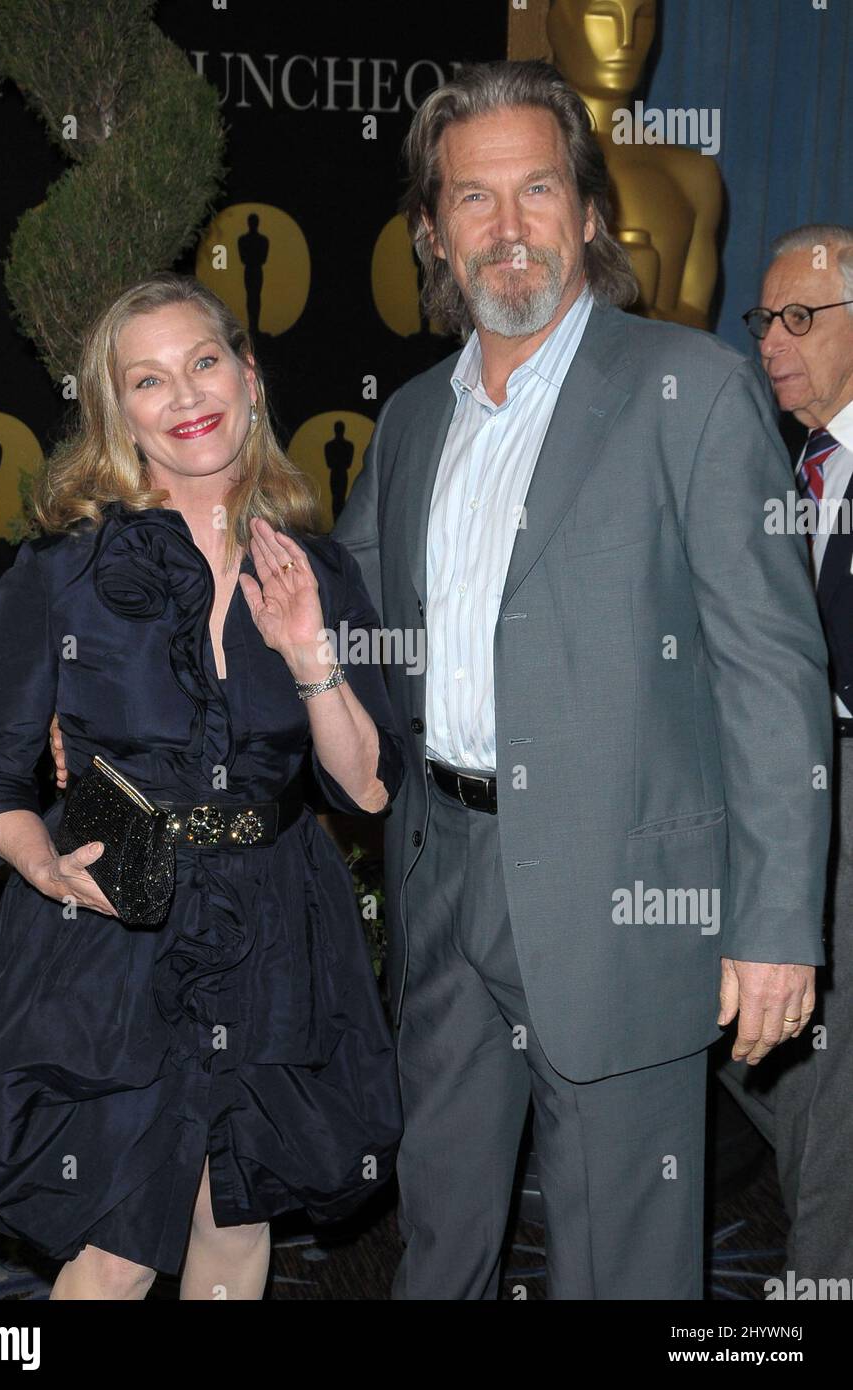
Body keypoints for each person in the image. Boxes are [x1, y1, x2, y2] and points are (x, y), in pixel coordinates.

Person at [329, 60, 832, 1299]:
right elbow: (336, 631)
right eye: (473, 199)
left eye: (537, 190)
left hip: (623, 903)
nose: (507, 228)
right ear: (434, 234)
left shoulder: (692, 392)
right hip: (444, 882)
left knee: (619, 1261)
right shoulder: (407, 428)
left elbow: (773, 672)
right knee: (435, 1242)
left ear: (590, 214)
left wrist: (774, 923)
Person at [0, 271, 406, 1301]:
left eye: (203, 362)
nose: (185, 396)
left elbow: (366, 788)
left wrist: (308, 657)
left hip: (274, 920)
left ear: (247, 377)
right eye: (147, 381)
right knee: (115, 1244)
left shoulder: (318, 568)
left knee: (232, 1213)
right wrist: (52, 868)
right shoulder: (64, 569)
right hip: (116, 930)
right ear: (118, 413)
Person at [745, 223, 853, 1281]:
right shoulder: (783, 464)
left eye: (799, 318)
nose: (772, 341)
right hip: (779, 788)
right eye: (762, 320)